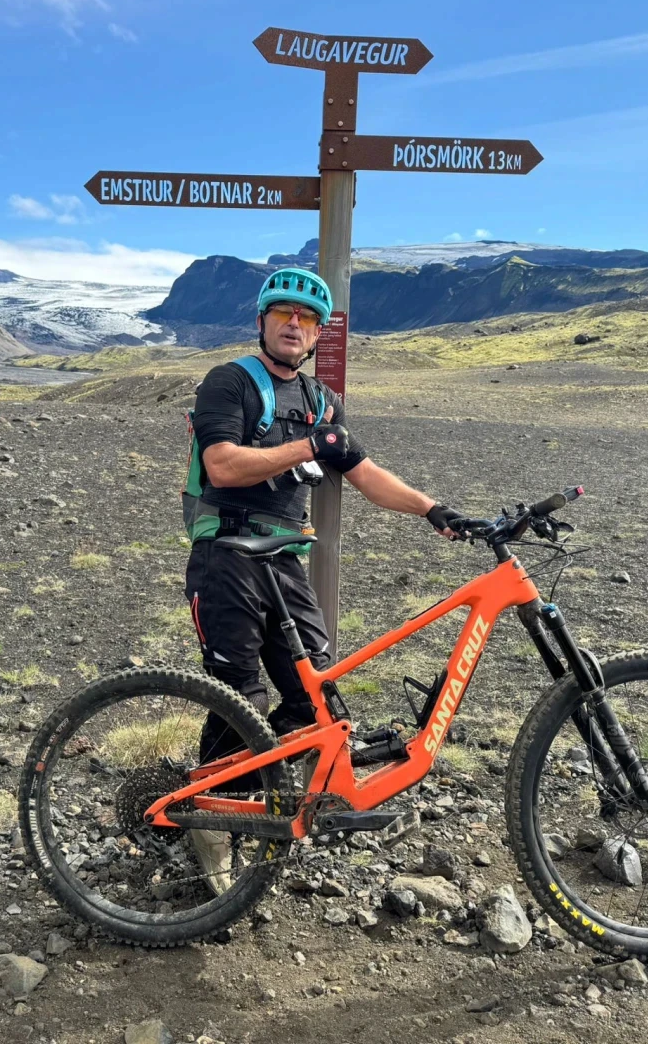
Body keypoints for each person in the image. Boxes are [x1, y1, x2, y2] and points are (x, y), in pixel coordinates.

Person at [184, 266, 461, 892]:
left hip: (282, 558)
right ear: (262, 321)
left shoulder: (321, 402)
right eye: (283, 313)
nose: (294, 323)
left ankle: (265, 798)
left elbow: (365, 473)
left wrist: (433, 509)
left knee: (313, 693)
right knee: (239, 694)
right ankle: (210, 823)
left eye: (306, 317)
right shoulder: (230, 381)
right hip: (226, 550)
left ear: (317, 335)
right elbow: (222, 465)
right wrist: (311, 446)